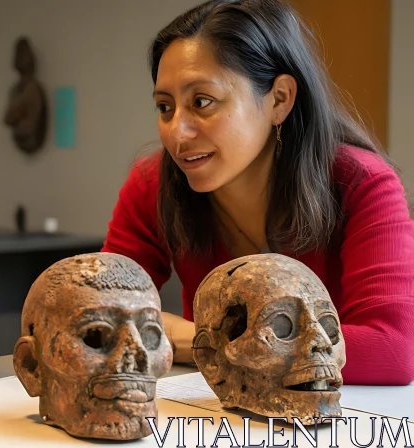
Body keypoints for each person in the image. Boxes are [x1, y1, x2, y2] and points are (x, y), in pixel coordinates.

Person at [102, 0, 414, 385]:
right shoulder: (153, 185)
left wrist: (203, 341)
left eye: (202, 102)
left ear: (279, 99)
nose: (177, 133)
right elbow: (101, 312)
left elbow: (393, 350)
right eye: (165, 108)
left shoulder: (361, 182)